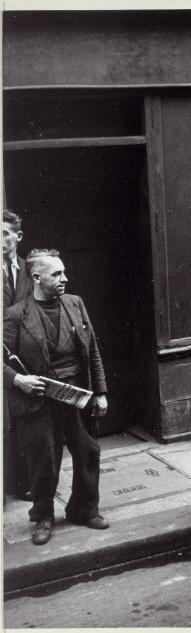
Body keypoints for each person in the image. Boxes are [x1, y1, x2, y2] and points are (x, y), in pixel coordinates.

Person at [3, 249, 109, 545]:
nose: (65, 278)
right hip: (39, 399)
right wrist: (17, 379)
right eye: (57, 274)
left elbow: (93, 350)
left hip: (76, 394)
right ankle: (43, 516)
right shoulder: (16, 315)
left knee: (88, 451)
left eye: (63, 272)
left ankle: (84, 509)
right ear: (37, 278)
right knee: (43, 459)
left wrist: (100, 392)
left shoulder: (75, 303)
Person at [3, 209, 34, 502]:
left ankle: (26, 483)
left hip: (24, 357)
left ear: (18, 236)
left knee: (26, 420)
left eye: (4, 234)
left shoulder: (29, 271)